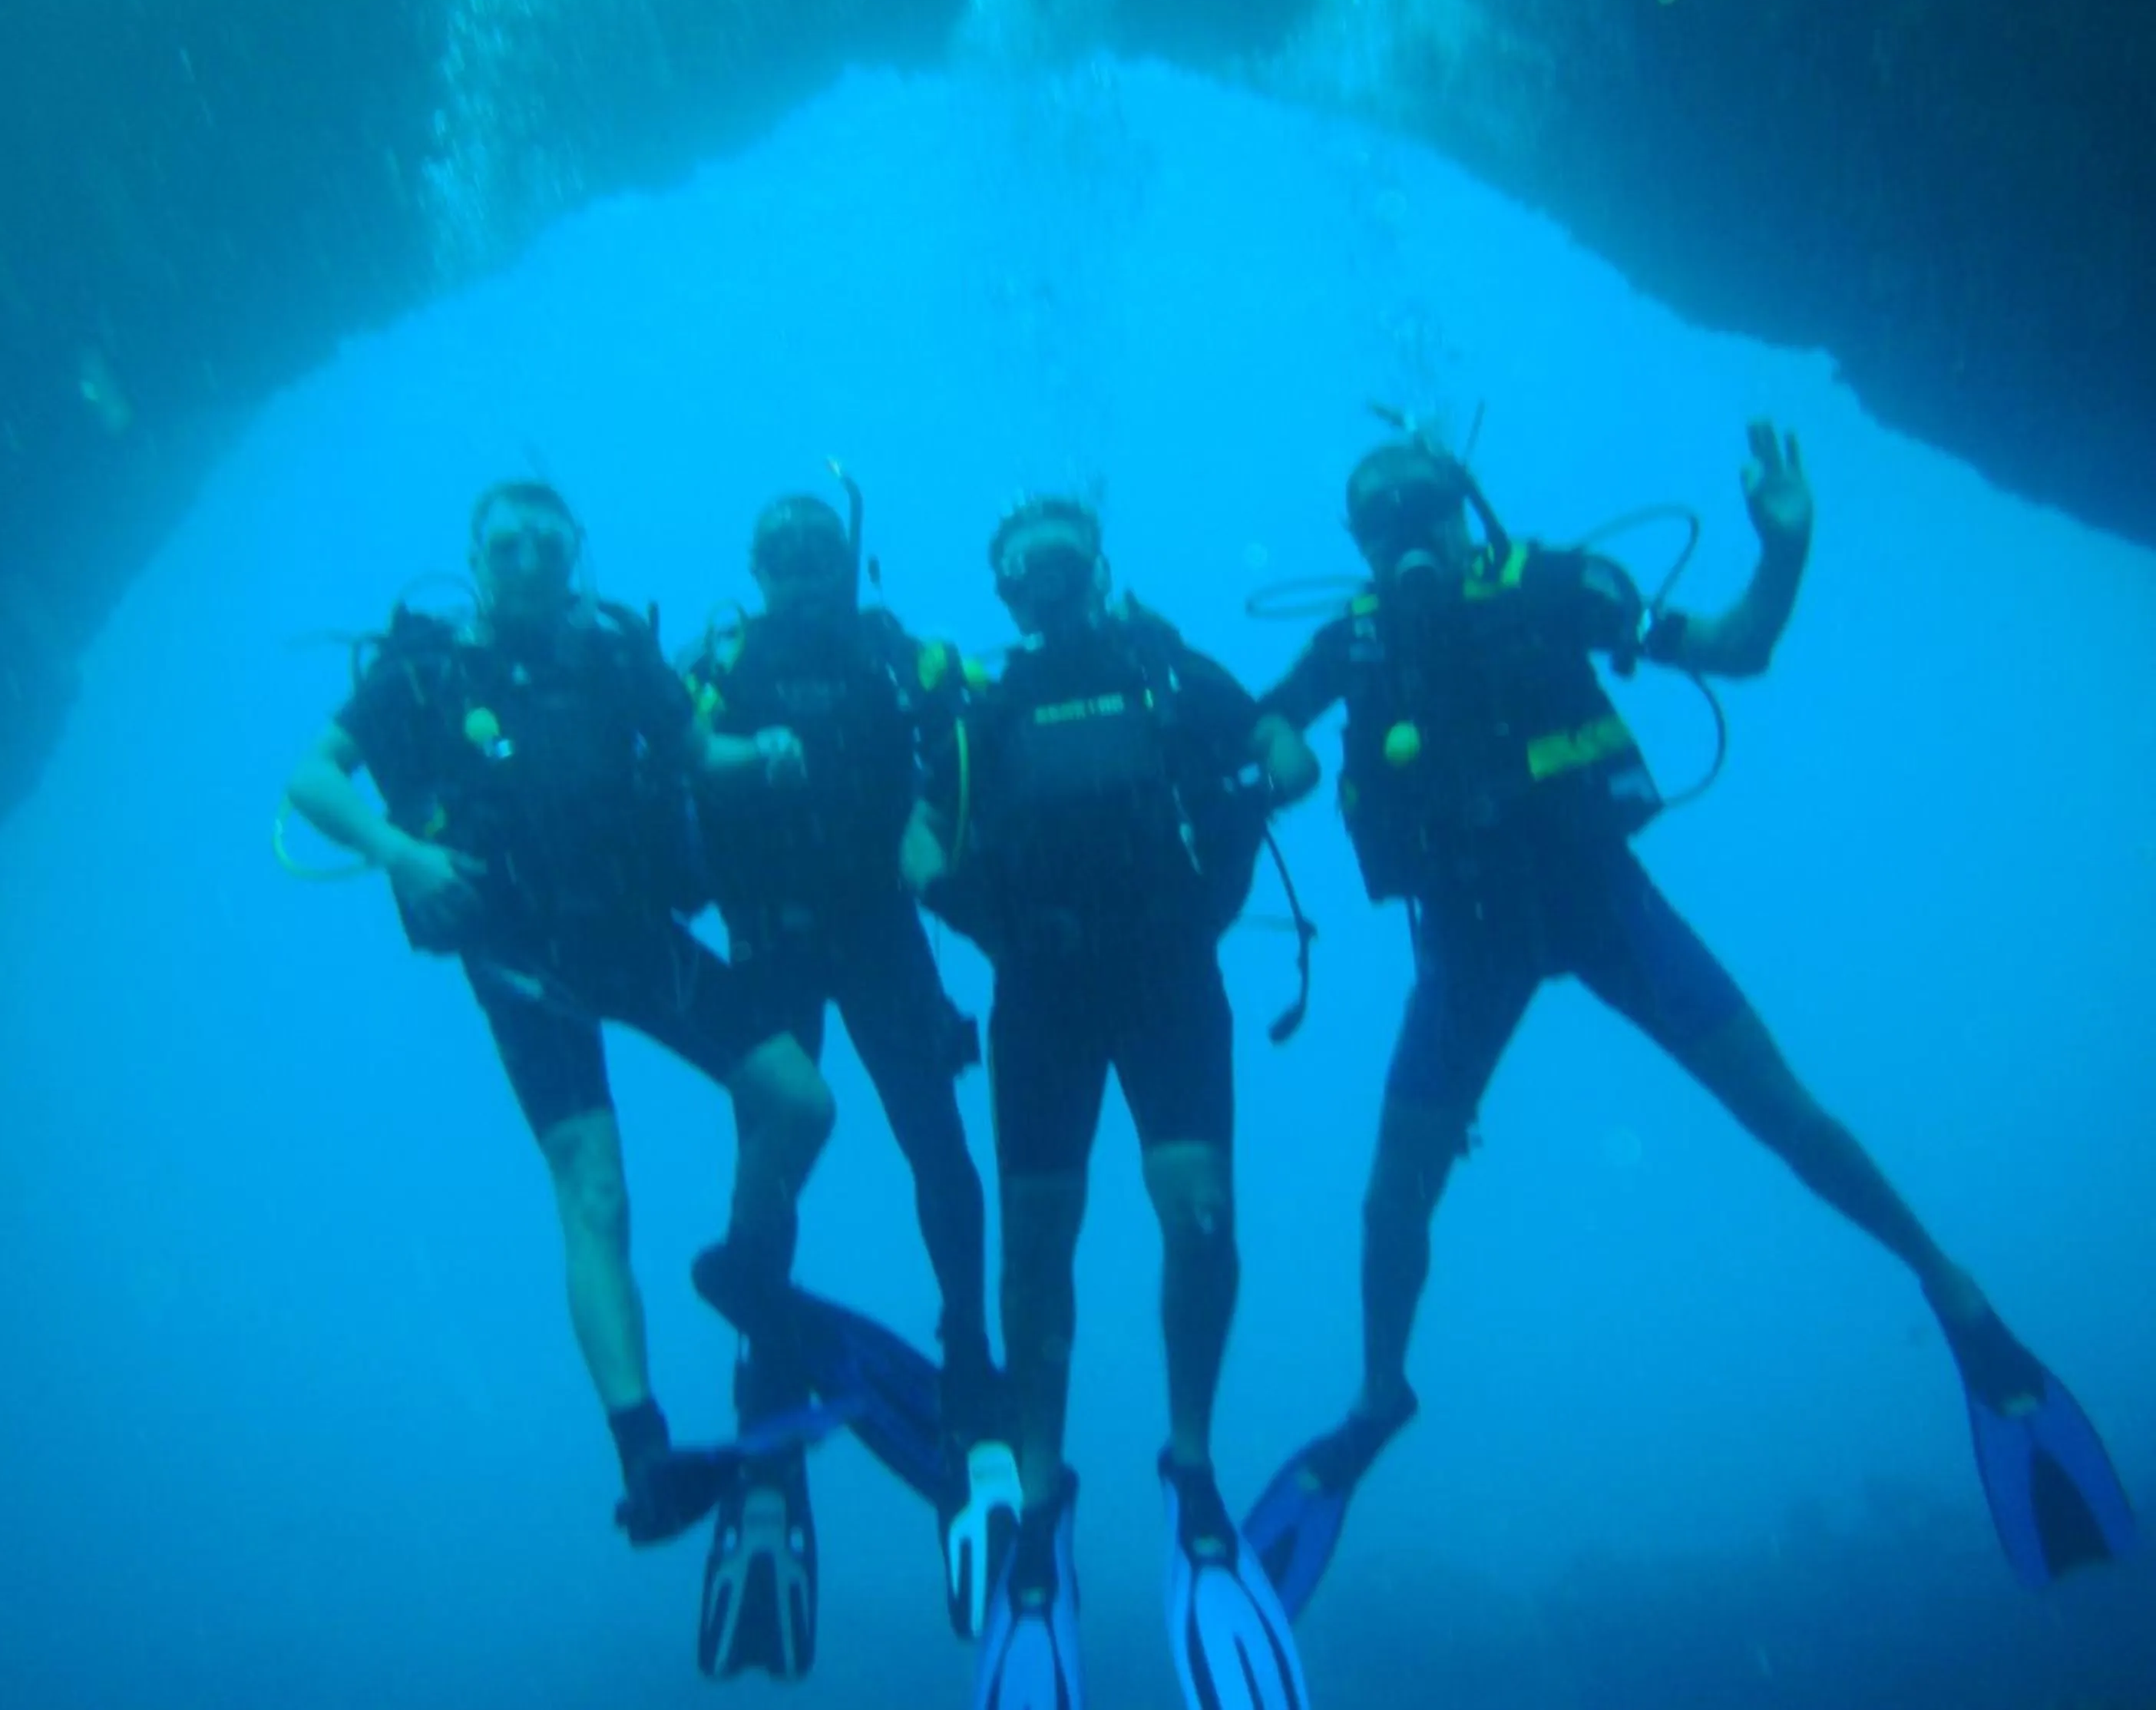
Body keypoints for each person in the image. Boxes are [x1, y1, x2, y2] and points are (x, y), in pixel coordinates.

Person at [1239, 422, 2138, 1618]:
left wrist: (1785, 548)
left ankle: (1953, 1288)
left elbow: (1737, 646)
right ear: (1359, 540)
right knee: (1392, 1199)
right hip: (1468, 943)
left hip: (1600, 901)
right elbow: (1270, 725)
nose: (1407, 532)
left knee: (1787, 1115)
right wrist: (1273, 751)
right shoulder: (1351, 639)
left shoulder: (1556, 583)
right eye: (1380, 518)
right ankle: (1377, 1396)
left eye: (1425, 505)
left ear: (1467, 508)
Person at [283, 480, 847, 1577]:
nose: (531, 561)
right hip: (520, 961)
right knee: (593, 1189)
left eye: (549, 542)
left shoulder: (616, 654)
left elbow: (699, 755)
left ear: (577, 550)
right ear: (475, 554)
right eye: (509, 544)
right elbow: (312, 779)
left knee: (801, 1101)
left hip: (632, 934)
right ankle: (645, 1451)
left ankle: (742, 1262)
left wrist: (770, 749)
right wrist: (402, 853)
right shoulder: (422, 672)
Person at [899, 497, 1316, 1710]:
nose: (1046, 577)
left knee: (1200, 1213)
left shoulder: (1165, 671)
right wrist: (960, 901)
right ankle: (1040, 1498)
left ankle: (1192, 1466)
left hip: (1168, 975)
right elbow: (919, 830)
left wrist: (1273, 771)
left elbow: (1282, 743)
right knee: (1037, 1249)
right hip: (1040, 988)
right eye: (1023, 564)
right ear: (1003, 588)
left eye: (1063, 557)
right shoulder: (985, 705)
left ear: (1096, 566)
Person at [680, 480, 1013, 1642]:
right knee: (775, 1154)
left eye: (818, 547)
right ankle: (767, 1374)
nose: (800, 566)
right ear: (755, 567)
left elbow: (983, 739)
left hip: (880, 931)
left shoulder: (897, 655)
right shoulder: (715, 666)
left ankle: (969, 1354)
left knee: (937, 1144)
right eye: (780, 551)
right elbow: (656, 763)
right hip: (772, 939)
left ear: (849, 558)